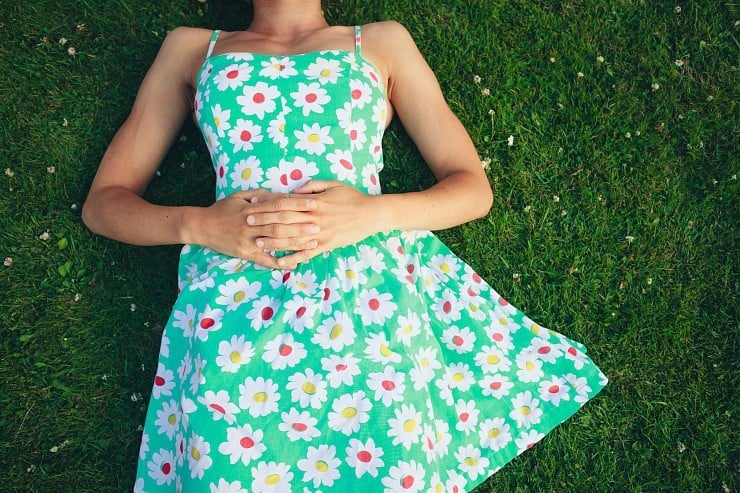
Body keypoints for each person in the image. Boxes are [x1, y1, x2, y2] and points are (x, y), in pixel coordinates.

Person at [83, 1, 607, 491]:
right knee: (221, 457)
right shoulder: (193, 49)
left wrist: (369, 212)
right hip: (233, 295)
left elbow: (471, 187)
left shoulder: (378, 42)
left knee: (387, 448)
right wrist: (200, 225)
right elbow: (103, 205)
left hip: (368, 295)